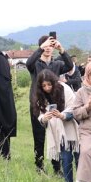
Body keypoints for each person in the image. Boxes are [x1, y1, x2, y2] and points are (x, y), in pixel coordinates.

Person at [26, 33, 74, 174]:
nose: (48, 48)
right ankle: (39, 166)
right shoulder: (35, 64)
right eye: (46, 46)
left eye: (51, 45)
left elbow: (70, 66)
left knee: (56, 135)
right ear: (41, 47)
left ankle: (56, 167)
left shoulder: (57, 64)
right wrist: (41, 48)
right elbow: (28, 63)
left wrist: (61, 49)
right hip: (38, 104)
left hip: (55, 105)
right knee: (39, 136)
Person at [32, 69, 80, 182]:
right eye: (44, 85)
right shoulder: (41, 95)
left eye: (49, 84)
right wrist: (45, 118)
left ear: (54, 82)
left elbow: (74, 106)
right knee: (65, 158)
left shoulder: (65, 89)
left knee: (79, 157)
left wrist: (62, 115)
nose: (47, 88)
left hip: (72, 127)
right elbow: (40, 115)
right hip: (58, 131)